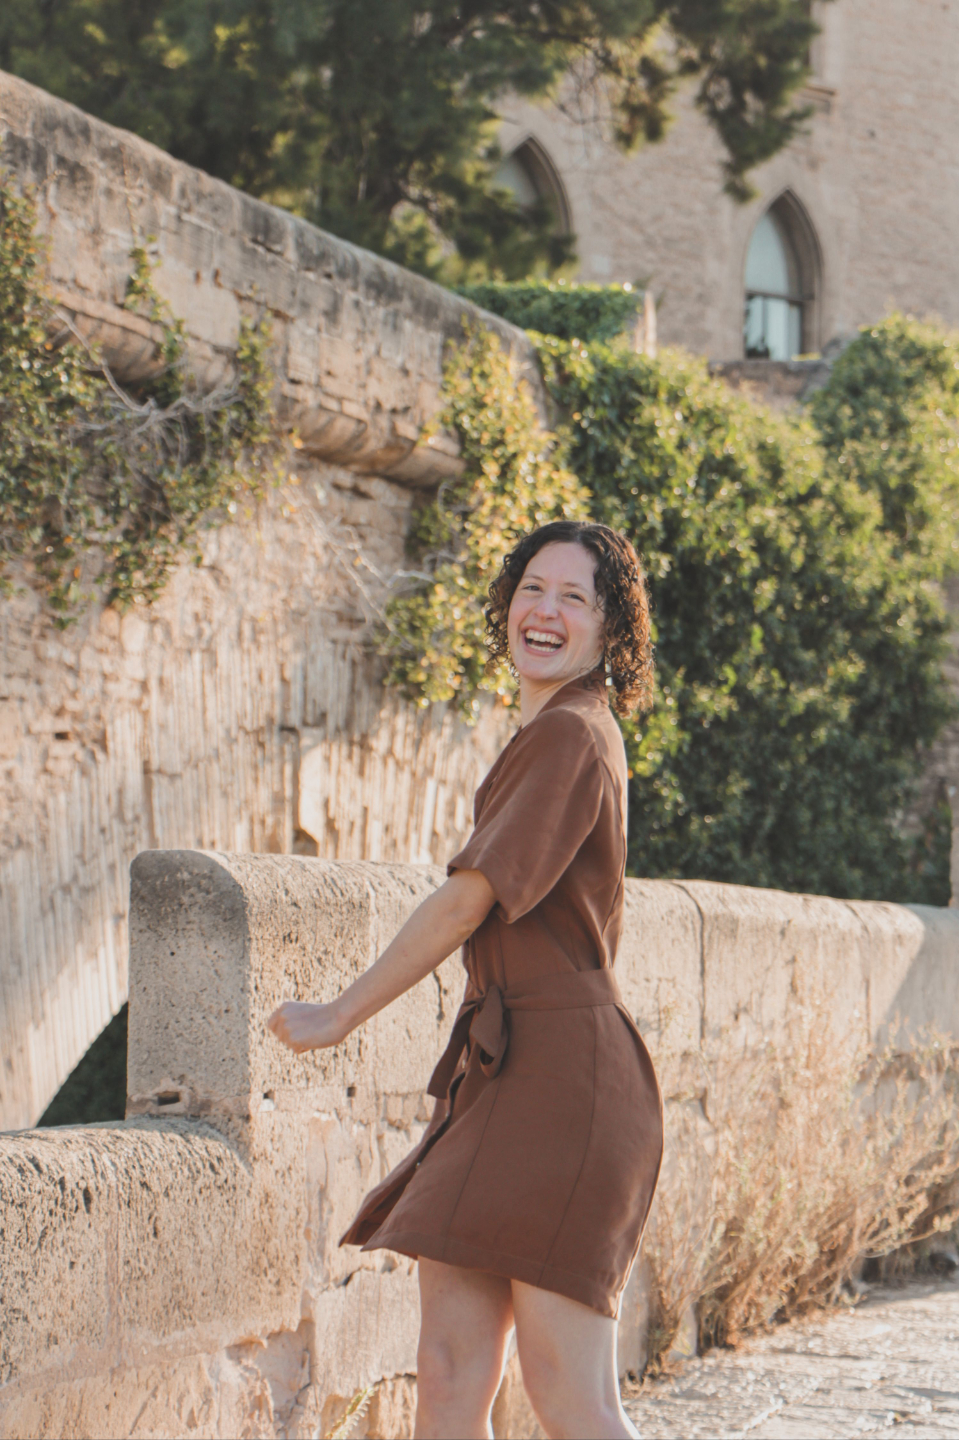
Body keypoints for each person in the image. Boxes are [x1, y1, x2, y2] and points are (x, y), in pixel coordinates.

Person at [268, 520, 664, 1440]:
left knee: (569, 1396)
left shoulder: (572, 733)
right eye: (532, 588)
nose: (545, 610)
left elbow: (465, 902)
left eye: (574, 597)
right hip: (500, 1077)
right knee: (447, 1377)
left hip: (566, 1083)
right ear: (506, 605)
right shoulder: (548, 732)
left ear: (611, 629)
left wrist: (339, 1014)